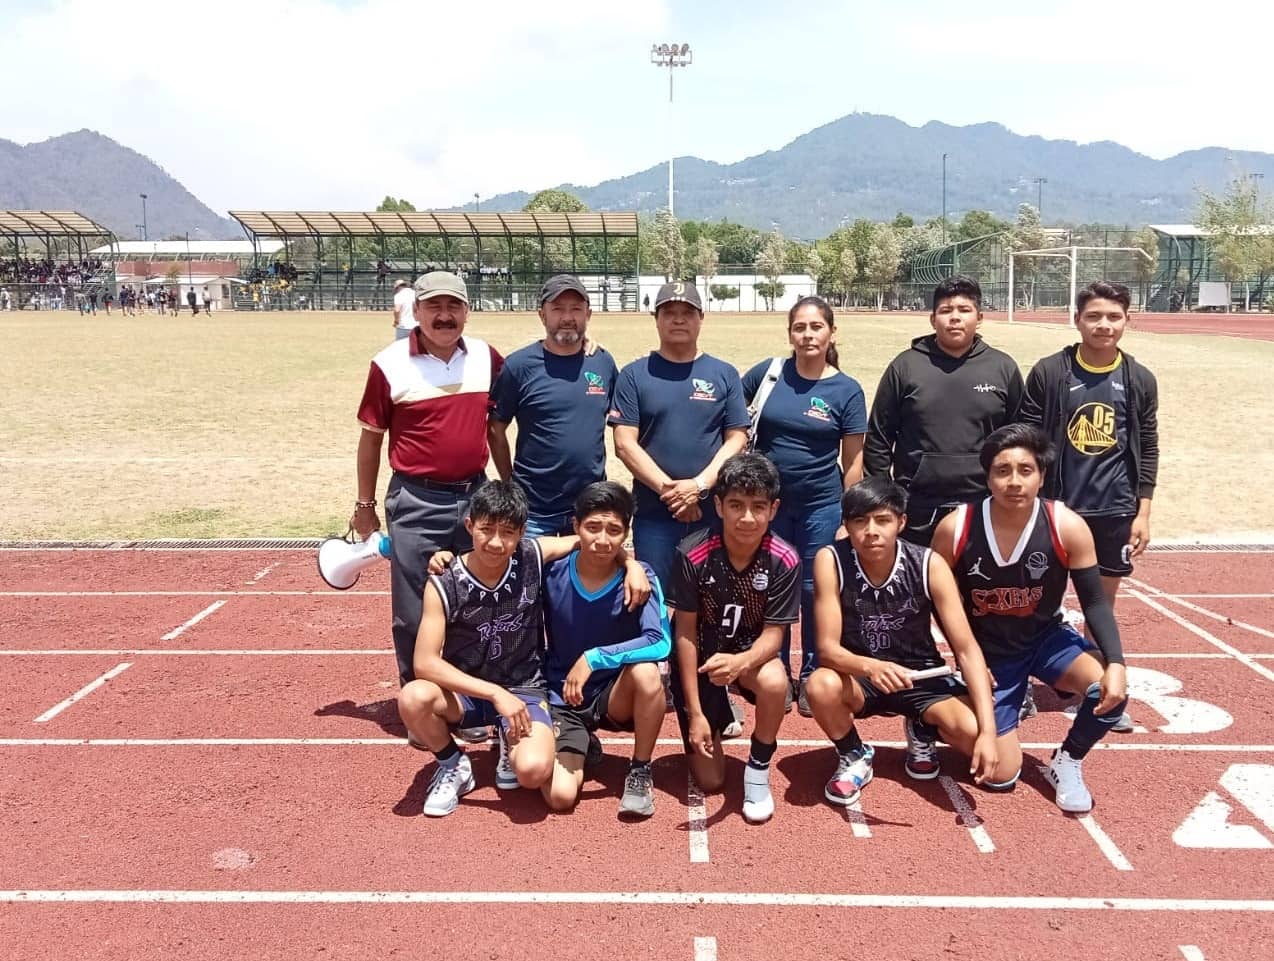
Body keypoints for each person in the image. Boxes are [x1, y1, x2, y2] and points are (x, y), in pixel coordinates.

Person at [929, 424, 1129, 812]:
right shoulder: (956, 527)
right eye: (1003, 470)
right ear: (987, 476)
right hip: (990, 651)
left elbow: (1096, 603)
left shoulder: (1066, 525)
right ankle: (937, 712)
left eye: (1025, 470)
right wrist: (964, 654)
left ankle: (1067, 760)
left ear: (1041, 476)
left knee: (1111, 691)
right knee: (1001, 775)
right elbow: (937, 600)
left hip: (1045, 638)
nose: (1014, 481)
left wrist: (1117, 663)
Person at [352, 271, 504, 700]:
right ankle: (422, 702)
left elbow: (502, 423)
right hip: (417, 499)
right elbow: (371, 438)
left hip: (477, 497)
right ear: (414, 311)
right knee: (414, 609)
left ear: (467, 312)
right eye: (434, 306)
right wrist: (364, 503)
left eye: (453, 306)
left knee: (476, 600)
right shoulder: (388, 363)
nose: (444, 316)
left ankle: (468, 702)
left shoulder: (487, 357)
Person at [805, 477, 998, 806]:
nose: (871, 531)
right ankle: (854, 754)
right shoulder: (831, 559)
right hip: (862, 676)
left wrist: (990, 735)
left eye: (883, 520)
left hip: (921, 676)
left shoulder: (928, 564)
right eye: (860, 521)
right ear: (847, 525)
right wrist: (872, 666)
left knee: (1000, 764)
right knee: (819, 685)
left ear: (901, 522)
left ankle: (923, 726)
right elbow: (826, 649)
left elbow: (966, 650)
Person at [1018, 280, 1158, 727]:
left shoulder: (1138, 378)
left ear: (1128, 321)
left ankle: (1097, 690)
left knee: (1102, 605)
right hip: (1058, 509)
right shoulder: (1050, 372)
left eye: (1114, 317)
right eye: (1094, 316)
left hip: (1114, 510)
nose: (1104, 325)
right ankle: (1018, 684)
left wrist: (1144, 510)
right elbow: (1027, 441)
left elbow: (1148, 445)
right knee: (1034, 600)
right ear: (1077, 320)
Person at [397, 482, 555, 817]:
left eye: (508, 533)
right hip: (466, 694)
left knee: (533, 771)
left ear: (522, 533)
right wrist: (495, 694)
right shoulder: (444, 581)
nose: (496, 542)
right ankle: (454, 764)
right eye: (486, 530)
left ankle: (507, 734)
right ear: (469, 525)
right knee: (413, 697)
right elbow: (424, 663)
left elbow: (590, 541)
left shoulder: (531, 556)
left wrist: (629, 566)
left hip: (524, 687)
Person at [742, 295, 867, 715]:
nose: (808, 334)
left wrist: (848, 517)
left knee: (815, 590)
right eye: (800, 327)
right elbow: (731, 416)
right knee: (770, 587)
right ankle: (772, 665)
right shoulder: (769, 374)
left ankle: (814, 670)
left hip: (821, 505)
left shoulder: (846, 389)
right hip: (767, 508)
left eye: (816, 327)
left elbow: (853, 460)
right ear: (790, 333)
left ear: (832, 332)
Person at [669, 452, 800, 824]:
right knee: (710, 781)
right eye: (736, 505)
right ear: (718, 506)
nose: (747, 518)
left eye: (758, 507)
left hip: (746, 654)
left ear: (774, 509)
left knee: (775, 682)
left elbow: (775, 636)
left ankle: (758, 768)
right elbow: (685, 633)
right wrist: (694, 713)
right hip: (703, 657)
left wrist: (740, 663)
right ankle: (713, 712)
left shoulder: (784, 559)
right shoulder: (691, 553)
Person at [541, 482, 671, 817]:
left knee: (647, 672)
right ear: (575, 527)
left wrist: (594, 658)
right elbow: (513, 551)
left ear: (626, 532)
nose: (602, 540)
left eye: (614, 530)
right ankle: (581, 743)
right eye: (592, 528)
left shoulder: (642, 578)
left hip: (614, 695)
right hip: (563, 696)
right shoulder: (551, 571)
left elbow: (661, 642)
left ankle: (640, 769)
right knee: (560, 798)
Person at [609, 280, 750, 589]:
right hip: (654, 514)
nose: (678, 319)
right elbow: (624, 443)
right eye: (669, 312)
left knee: (711, 603)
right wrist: (674, 494)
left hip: (712, 513)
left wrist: (699, 486)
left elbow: (737, 438)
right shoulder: (634, 374)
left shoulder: (723, 373)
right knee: (652, 601)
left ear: (701, 318)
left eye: (687, 312)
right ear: (655, 319)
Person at [865, 275, 1023, 546]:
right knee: (920, 586)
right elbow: (879, 438)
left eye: (964, 310)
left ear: (980, 317)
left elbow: (1020, 439)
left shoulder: (1003, 368)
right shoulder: (905, 367)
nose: (955, 318)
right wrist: (885, 500)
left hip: (984, 504)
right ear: (932, 319)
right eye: (946, 311)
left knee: (977, 588)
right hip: (917, 507)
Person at [489, 275, 618, 536]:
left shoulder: (603, 363)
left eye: (576, 309)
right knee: (530, 576)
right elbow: (495, 427)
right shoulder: (519, 366)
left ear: (588, 314)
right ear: (542, 315)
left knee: (585, 577)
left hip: (588, 507)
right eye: (558, 309)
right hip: (534, 508)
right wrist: (509, 483)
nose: (567, 317)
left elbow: (622, 423)